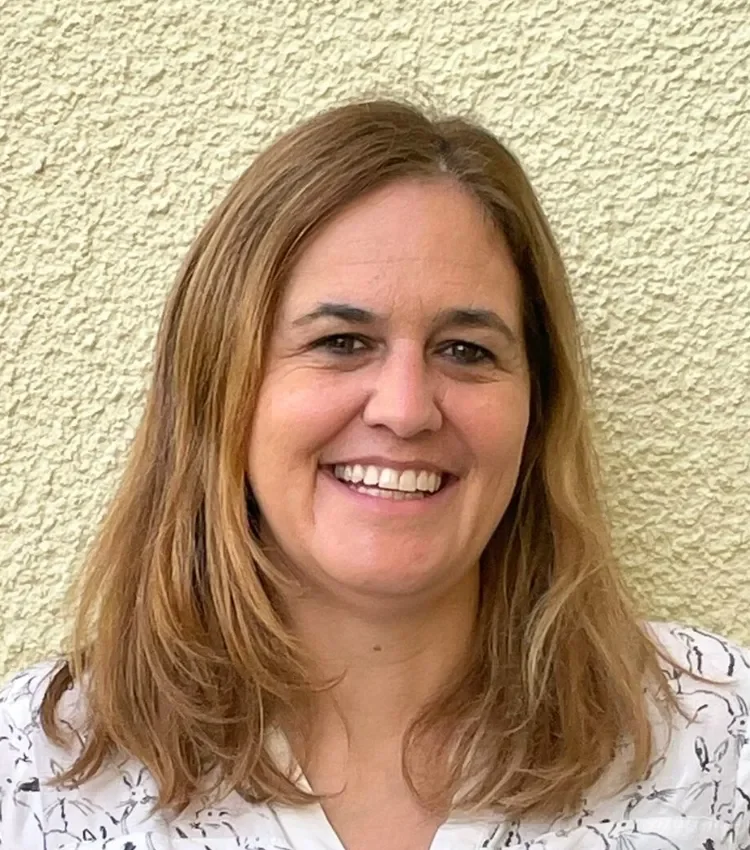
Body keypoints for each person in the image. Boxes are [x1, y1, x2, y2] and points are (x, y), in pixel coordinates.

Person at [0, 99, 748, 850]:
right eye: (341, 341)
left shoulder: (709, 734)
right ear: (219, 386)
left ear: (537, 407)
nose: (405, 408)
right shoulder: (39, 764)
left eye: (465, 350)